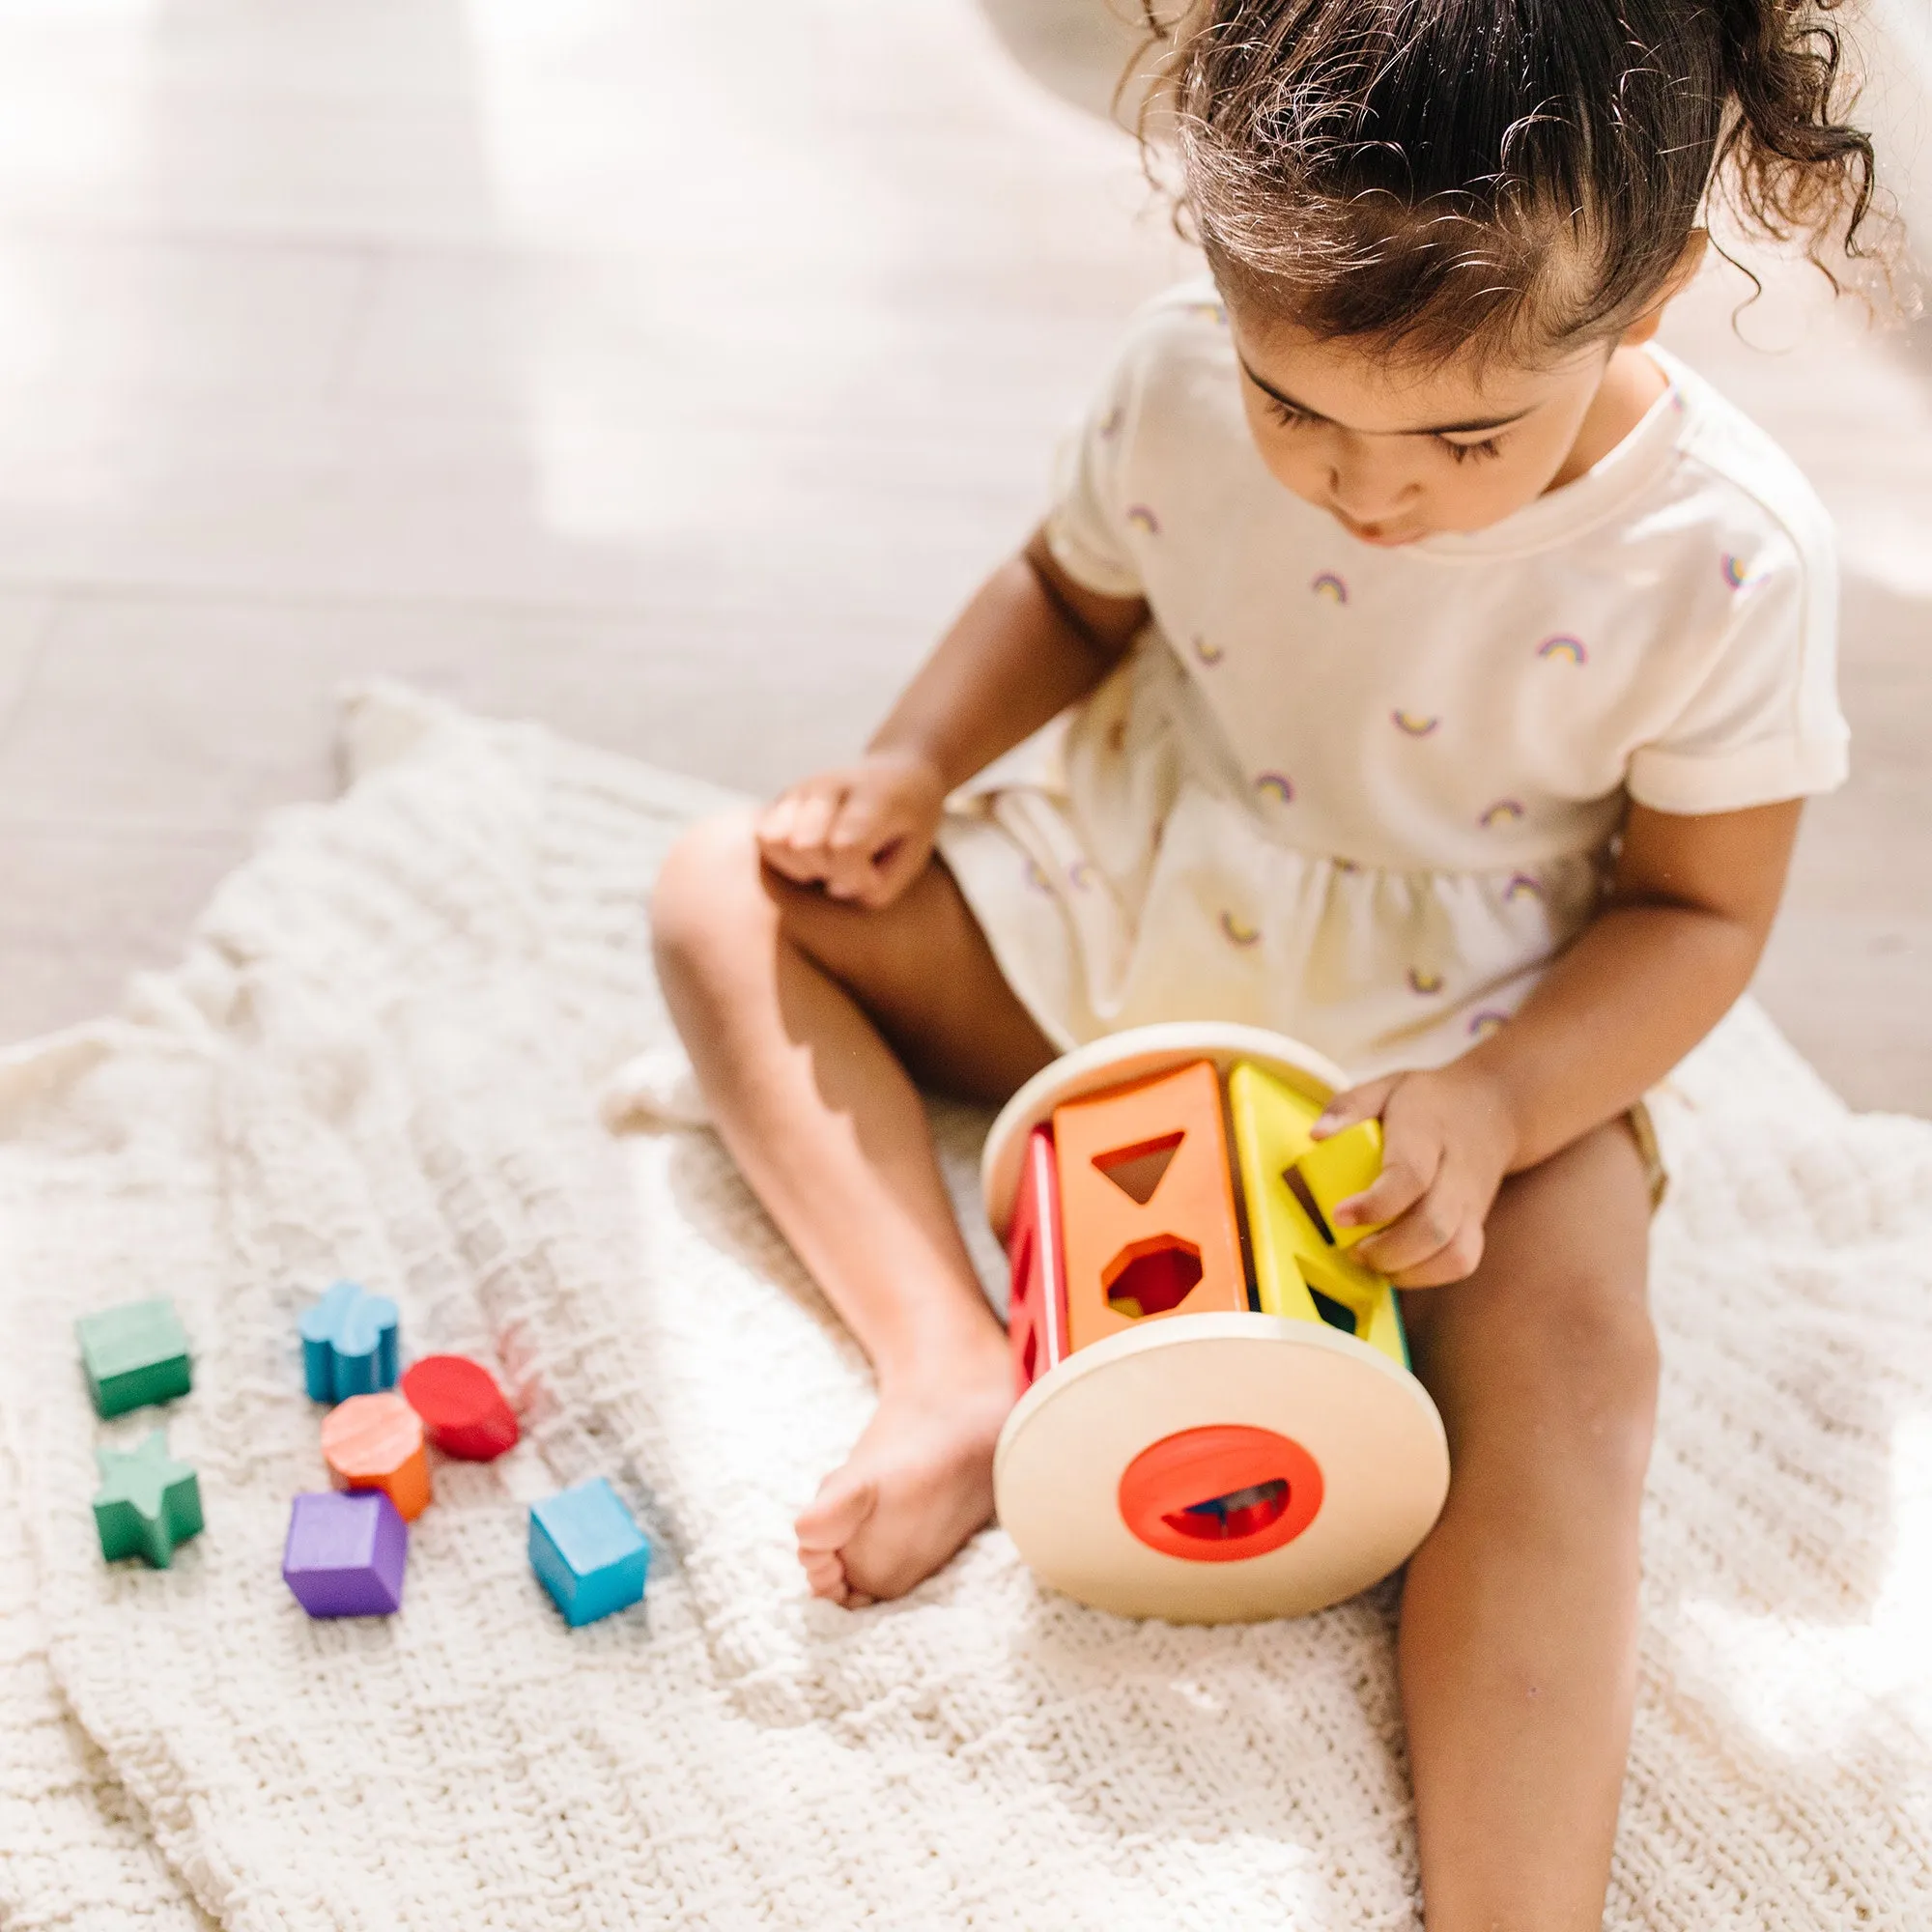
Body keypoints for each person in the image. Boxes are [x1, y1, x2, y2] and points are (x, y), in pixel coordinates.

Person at [650, 3, 1880, 1922]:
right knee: (720, 891)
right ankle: (950, 1363)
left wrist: (1498, 1101)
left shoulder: (1721, 556)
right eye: (1292, 403)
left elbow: (1697, 917)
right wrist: (911, 763)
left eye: (1463, 434)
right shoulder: (1170, 383)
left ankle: (1511, 1899)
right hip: (1133, 905)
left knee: (1572, 1370)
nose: (1363, 490)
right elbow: (1067, 590)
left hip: (1463, 1033)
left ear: (1653, 301)